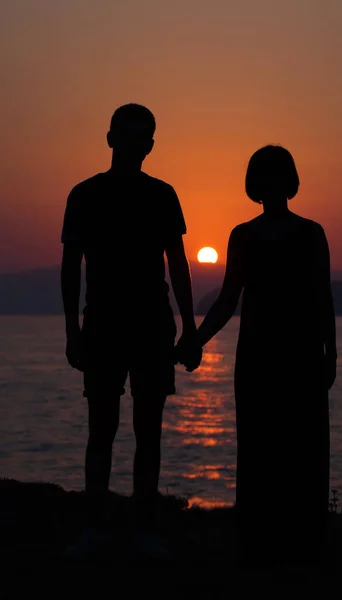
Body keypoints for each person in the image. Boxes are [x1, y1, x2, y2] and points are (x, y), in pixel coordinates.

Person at [184, 145, 337, 566]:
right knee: (259, 447)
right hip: (257, 356)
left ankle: (303, 543)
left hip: (302, 355)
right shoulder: (242, 235)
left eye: (277, 173)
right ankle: (259, 543)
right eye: (263, 174)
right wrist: (196, 338)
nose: (271, 183)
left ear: (289, 180)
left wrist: (332, 353)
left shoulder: (311, 233)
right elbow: (228, 298)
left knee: (302, 450)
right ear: (255, 183)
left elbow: (323, 295)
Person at [61, 103, 201, 559]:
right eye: (127, 134)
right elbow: (70, 267)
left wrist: (189, 326)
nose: (134, 144)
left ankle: (143, 526)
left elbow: (177, 263)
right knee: (101, 428)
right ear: (110, 139)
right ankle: (94, 526)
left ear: (150, 145)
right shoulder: (84, 195)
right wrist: (72, 331)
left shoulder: (163, 195)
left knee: (148, 430)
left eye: (142, 136)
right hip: (102, 323)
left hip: (151, 326)